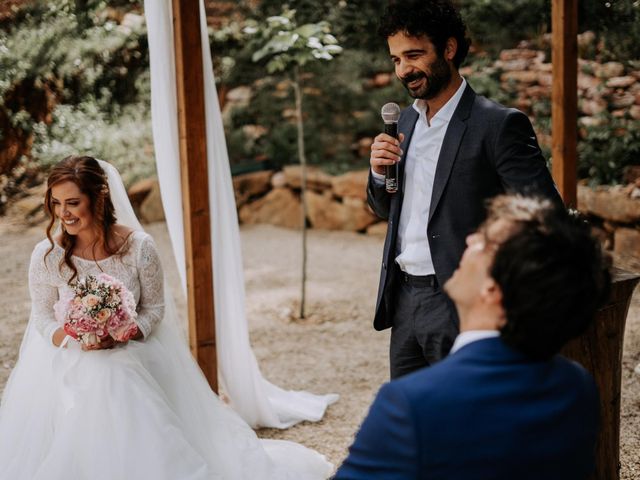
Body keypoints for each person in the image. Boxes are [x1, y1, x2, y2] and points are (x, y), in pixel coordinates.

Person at [0, 156, 333, 480]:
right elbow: (42, 316)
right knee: (107, 372)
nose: (62, 213)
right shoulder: (47, 254)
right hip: (68, 352)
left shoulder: (139, 247)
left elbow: (155, 310)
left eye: (72, 202)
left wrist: (122, 333)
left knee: (116, 370)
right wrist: (76, 336)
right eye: (56, 203)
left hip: (132, 347)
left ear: (99, 199)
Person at [334, 194, 610, 479]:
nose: (468, 241)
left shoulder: (410, 404)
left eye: (482, 242)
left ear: (492, 289)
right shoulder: (577, 388)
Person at [368, 0, 562, 378]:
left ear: (449, 49)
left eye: (414, 55)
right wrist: (378, 174)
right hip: (405, 299)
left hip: (463, 300)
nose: (404, 70)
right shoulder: (404, 121)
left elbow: (544, 214)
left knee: (468, 423)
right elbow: (383, 209)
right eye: (395, 60)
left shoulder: (498, 125)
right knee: (417, 424)